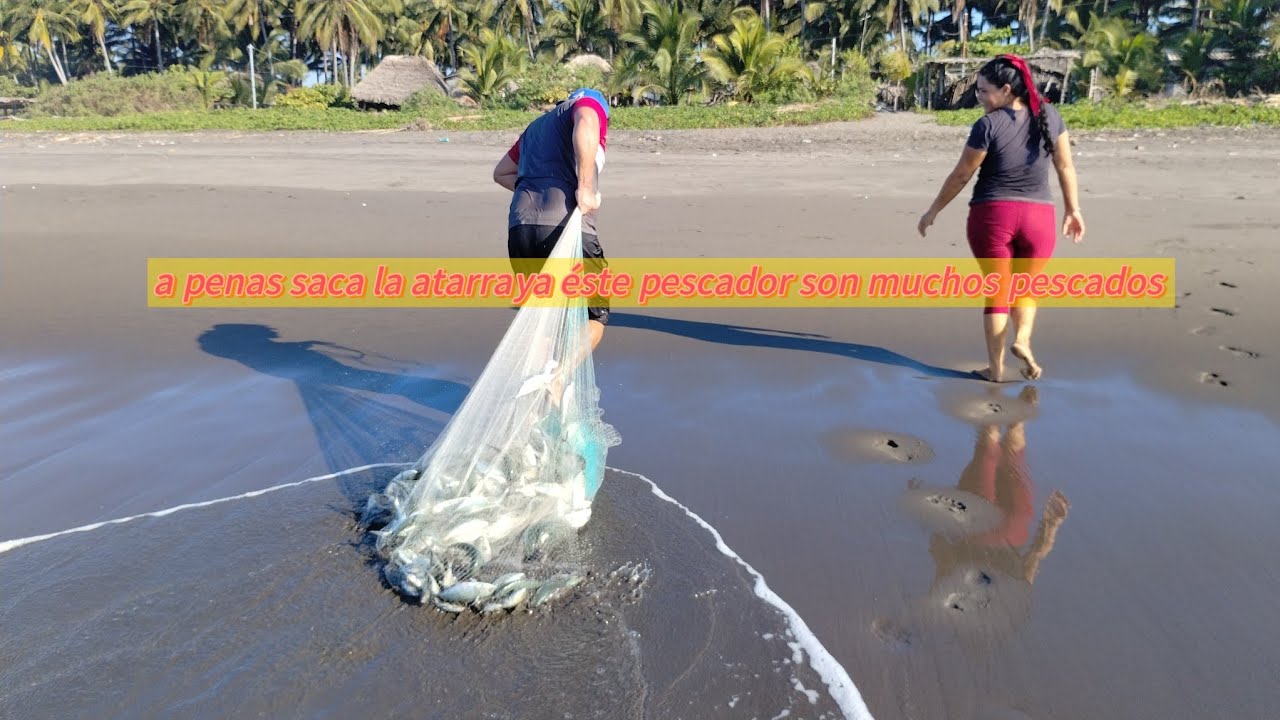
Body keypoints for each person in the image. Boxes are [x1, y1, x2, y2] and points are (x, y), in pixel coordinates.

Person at [917, 54, 1086, 382]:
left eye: (984, 91)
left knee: (997, 291)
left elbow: (962, 175)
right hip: (1039, 218)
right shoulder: (1050, 116)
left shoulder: (987, 125)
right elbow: (1065, 166)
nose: (978, 96)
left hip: (993, 216)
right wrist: (1073, 209)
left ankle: (995, 370)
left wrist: (933, 210)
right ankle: (1022, 339)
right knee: (1026, 288)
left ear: (1006, 90)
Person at [492, 87, 611, 355]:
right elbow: (586, 119)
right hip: (567, 226)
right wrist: (584, 187)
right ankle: (559, 375)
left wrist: (536, 189)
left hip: (521, 229)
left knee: (541, 318)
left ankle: (540, 375)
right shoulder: (589, 105)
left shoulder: (535, 129)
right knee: (595, 316)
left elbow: (501, 173)